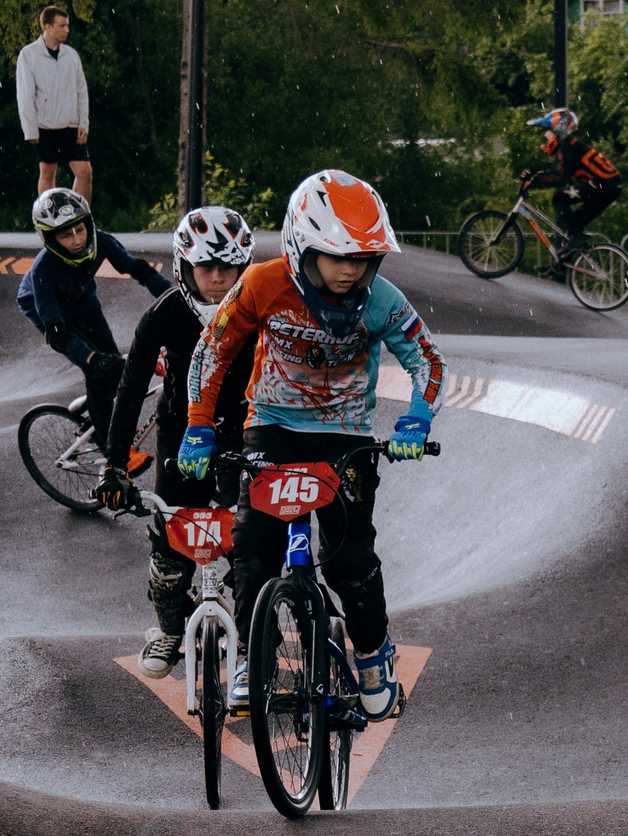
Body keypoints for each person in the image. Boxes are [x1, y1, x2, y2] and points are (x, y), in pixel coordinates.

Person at [177, 168, 444, 721]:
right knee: (253, 546)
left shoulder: (382, 301)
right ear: (301, 248)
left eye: (363, 258)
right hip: (270, 426)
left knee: (350, 558)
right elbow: (212, 349)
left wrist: (416, 419)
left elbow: (429, 360)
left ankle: (371, 652)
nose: (351, 270)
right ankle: (254, 656)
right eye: (336, 256)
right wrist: (200, 423)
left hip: (344, 435)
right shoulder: (260, 283)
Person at [99, 205, 260, 678]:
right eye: (205, 266)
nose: (217, 277)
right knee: (168, 537)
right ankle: (170, 627)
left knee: (248, 534)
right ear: (182, 266)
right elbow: (129, 392)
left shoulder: (260, 308)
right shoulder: (162, 314)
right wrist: (113, 467)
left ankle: (254, 638)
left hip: (245, 425)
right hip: (181, 429)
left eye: (229, 266)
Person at [16, 188, 169, 453]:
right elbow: (57, 334)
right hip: (50, 312)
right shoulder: (43, 270)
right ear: (50, 239)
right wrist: (91, 360)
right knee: (99, 368)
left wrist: (177, 300)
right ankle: (112, 448)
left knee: (117, 367)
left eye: (80, 229)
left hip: (83, 300)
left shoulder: (102, 240)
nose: (77, 240)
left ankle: (100, 407)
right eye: (65, 235)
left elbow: (140, 271)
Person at [521, 108, 621, 265]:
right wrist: (538, 178)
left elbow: (560, 177)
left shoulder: (567, 147)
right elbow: (559, 173)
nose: (545, 135)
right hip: (611, 186)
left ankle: (575, 241)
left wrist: (534, 181)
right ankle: (565, 258)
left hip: (604, 183)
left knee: (559, 198)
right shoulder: (570, 145)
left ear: (558, 129)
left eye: (547, 131)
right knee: (575, 222)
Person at [16, 5, 93, 202]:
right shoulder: (29, 54)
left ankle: (80, 218)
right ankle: (49, 219)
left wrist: (83, 122)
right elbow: (25, 95)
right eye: (62, 25)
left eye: (67, 25)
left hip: (70, 125)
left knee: (84, 173)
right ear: (48, 27)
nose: (67, 30)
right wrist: (30, 130)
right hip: (45, 125)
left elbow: (81, 90)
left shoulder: (71, 55)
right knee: (48, 174)